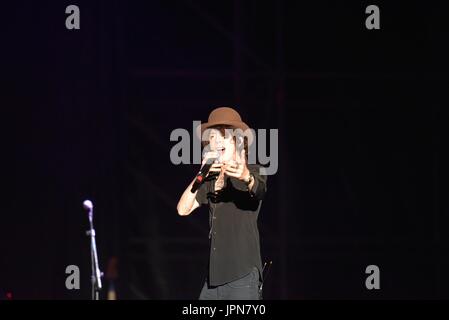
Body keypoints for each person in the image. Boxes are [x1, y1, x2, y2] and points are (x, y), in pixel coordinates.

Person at [177, 107, 267, 300]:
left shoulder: (253, 169)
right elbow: (182, 209)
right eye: (212, 137)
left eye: (223, 136)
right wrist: (200, 175)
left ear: (237, 141)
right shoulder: (209, 179)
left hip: (241, 275)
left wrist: (246, 176)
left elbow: (259, 190)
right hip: (214, 280)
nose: (216, 141)